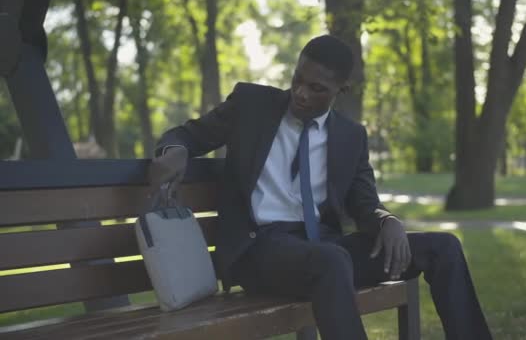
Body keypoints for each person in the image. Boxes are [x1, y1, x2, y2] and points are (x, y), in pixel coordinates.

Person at [149, 35, 492, 340]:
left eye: (317, 89)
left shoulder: (350, 136)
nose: (300, 93)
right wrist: (175, 151)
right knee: (331, 259)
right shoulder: (251, 105)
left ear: (340, 90)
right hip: (259, 250)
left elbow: (364, 203)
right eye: (298, 79)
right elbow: (185, 135)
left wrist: (387, 220)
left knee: (443, 247)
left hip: (325, 251)